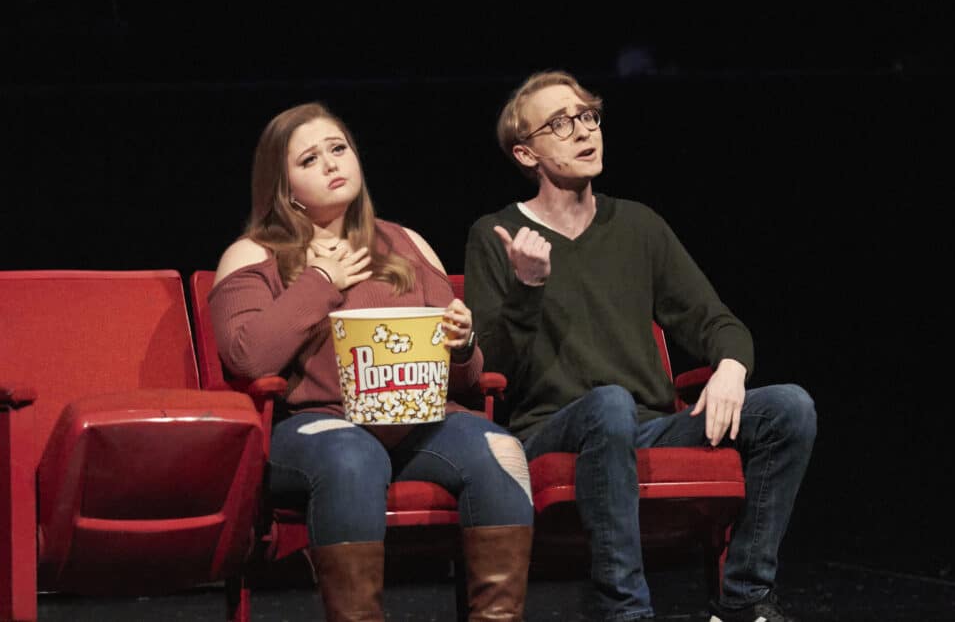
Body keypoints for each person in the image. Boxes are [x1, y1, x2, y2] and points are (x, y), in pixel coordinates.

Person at [463, 71, 816, 622]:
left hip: (647, 422)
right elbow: (493, 369)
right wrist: (528, 288)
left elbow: (716, 321)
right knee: (608, 405)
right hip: (550, 428)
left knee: (789, 407)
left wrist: (728, 368)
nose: (584, 131)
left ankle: (744, 598)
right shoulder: (497, 235)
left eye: (588, 116)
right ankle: (625, 610)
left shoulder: (639, 225)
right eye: (561, 123)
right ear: (526, 152)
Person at [209, 101, 534, 622]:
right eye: (310, 159)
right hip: (321, 426)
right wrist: (320, 282)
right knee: (352, 456)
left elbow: (470, 382)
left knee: (500, 449)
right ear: (284, 187)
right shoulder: (254, 254)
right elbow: (248, 356)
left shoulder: (406, 242)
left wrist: (464, 342)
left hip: (421, 423)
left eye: (338, 149)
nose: (332, 164)